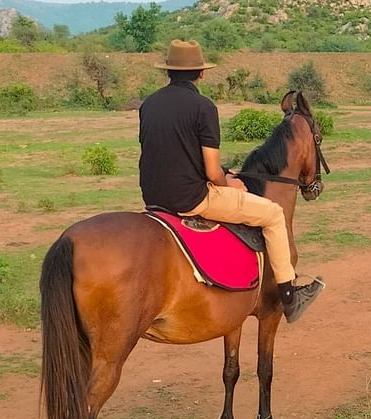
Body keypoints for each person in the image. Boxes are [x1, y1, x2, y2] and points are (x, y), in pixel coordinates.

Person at [138, 40, 323, 323]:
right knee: (273, 214)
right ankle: (289, 296)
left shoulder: (149, 104)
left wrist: (224, 172)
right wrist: (228, 182)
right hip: (191, 198)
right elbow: (212, 172)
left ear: (168, 72)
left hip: (153, 197)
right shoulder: (203, 107)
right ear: (201, 73)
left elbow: (174, 152)